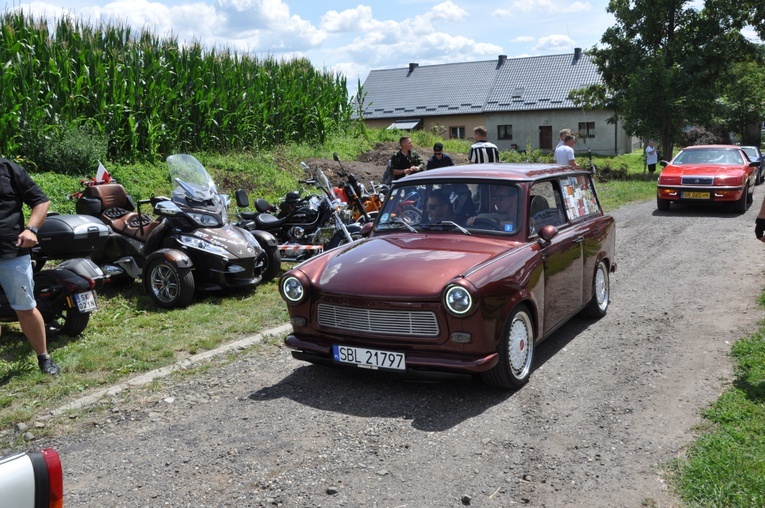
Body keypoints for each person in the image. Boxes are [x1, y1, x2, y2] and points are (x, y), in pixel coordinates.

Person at [0, 158, 59, 375]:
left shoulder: (8, 169)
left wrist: (31, 229)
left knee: (25, 308)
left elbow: (41, 201)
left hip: (12, 252)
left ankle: (44, 358)